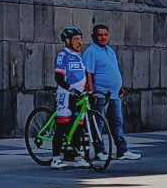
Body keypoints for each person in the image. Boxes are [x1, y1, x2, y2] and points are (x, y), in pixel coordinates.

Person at [84, 23, 140, 161]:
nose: (103, 37)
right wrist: (91, 90)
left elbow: (114, 69)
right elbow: (88, 73)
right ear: (94, 37)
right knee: (98, 124)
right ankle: (99, 151)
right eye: (100, 35)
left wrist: (120, 86)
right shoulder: (91, 51)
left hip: (114, 94)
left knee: (117, 122)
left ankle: (122, 150)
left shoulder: (110, 51)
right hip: (100, 94)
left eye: (105, 34)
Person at [53, 26, 91, 167]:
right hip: (66, 94)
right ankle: (56, 158)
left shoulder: (79, 57)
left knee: (78, 126)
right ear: (68, 41)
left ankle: (76, 156)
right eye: (76, 39)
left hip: (80, 95)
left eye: (80, 39)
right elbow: (59, 77)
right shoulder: (63, 55)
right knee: (62, 125)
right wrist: (69, 88)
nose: (79, 42)